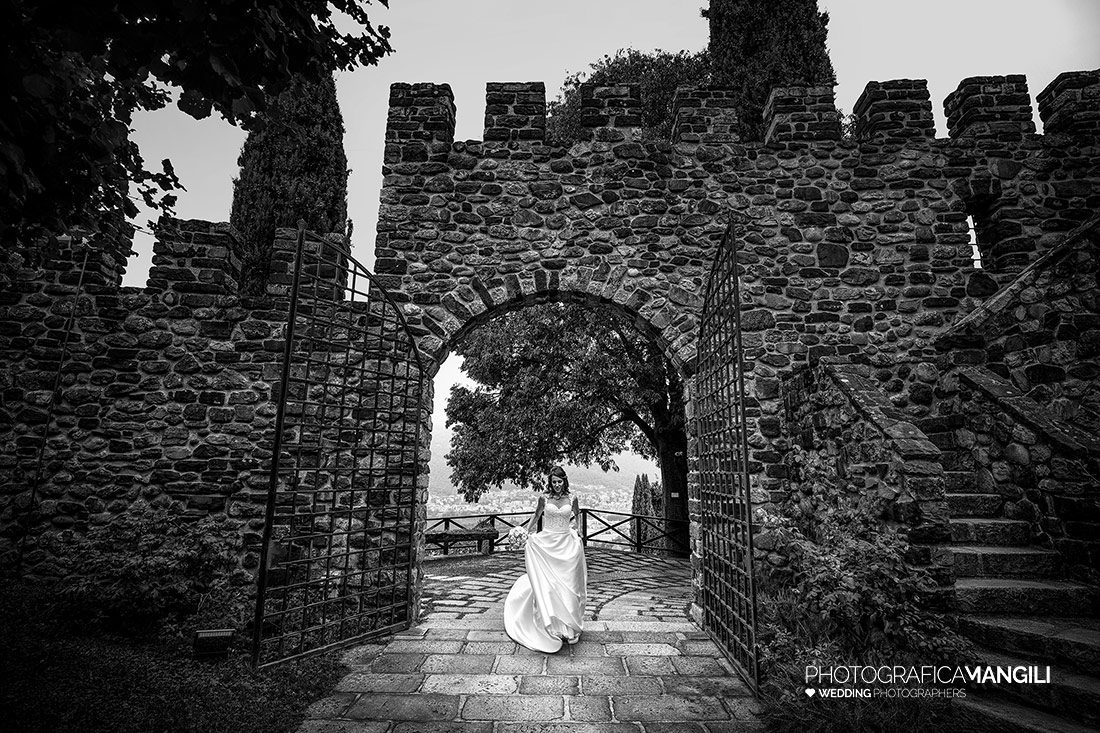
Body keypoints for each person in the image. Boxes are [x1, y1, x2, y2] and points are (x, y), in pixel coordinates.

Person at [503, 466, 588, 653]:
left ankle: (570, 627)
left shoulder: (572, 498)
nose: (557, 485)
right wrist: (528, 530)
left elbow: (578, 514)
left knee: (568, 583)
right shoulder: (544, 498)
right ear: (550, 482)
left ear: (565, 481)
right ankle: (553, 625)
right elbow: (537, 514)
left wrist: (579, 529)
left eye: (560, 482)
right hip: (547, 541)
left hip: (566, 542)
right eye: (554, 482)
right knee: (549, 584)